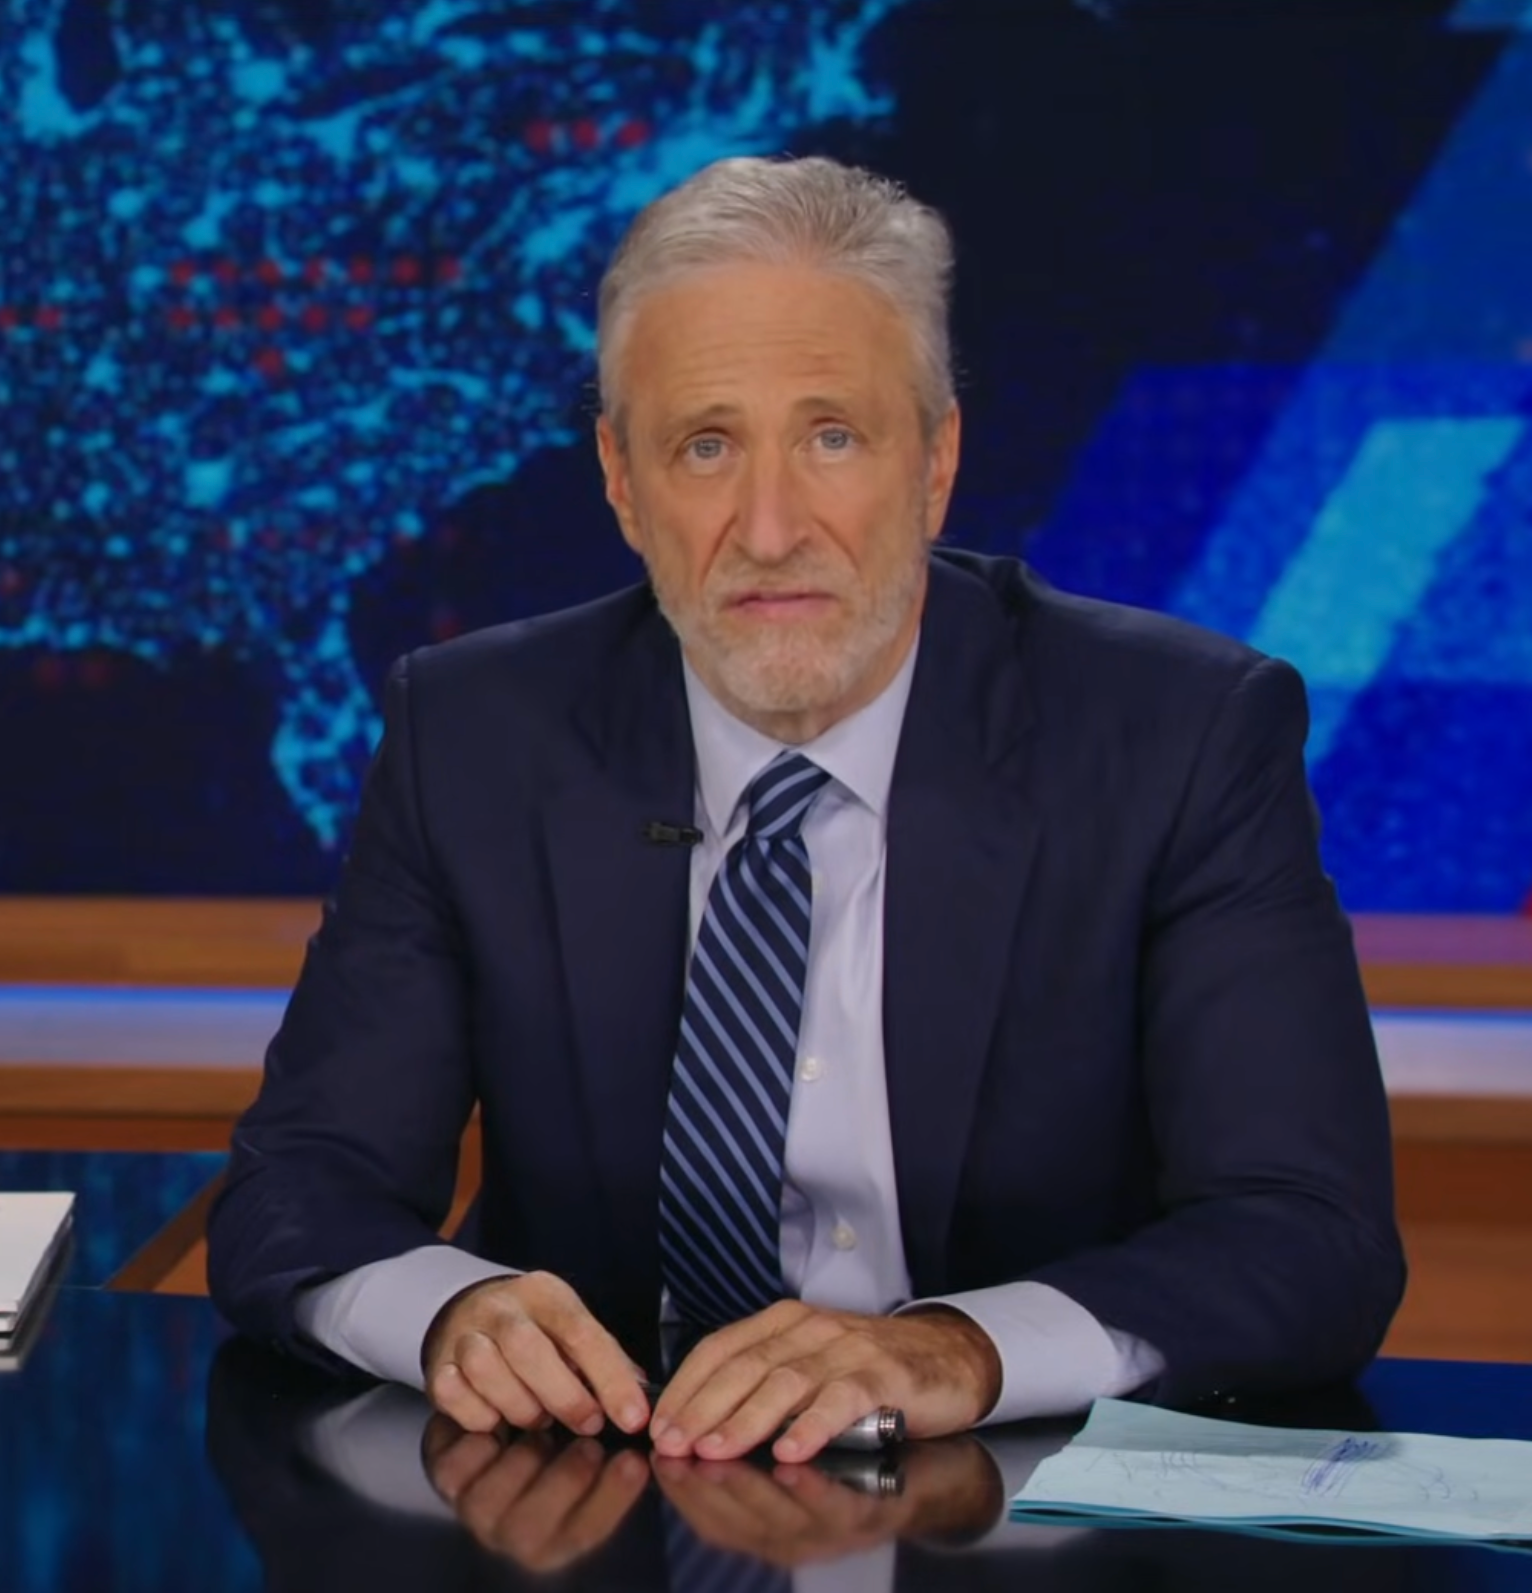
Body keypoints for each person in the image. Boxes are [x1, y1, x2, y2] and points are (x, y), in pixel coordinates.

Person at [206, 154, 1402, 1466]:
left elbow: (1307, 1235)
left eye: (831, 436)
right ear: (620, 482)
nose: (768, 529)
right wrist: (451, 1315)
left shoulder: (1177, 736)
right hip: (599, 1496)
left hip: (1002, 1506)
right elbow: (294, 1192)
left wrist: (957, 1348)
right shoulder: (474, 735)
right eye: (704, 446)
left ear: (934, 462)